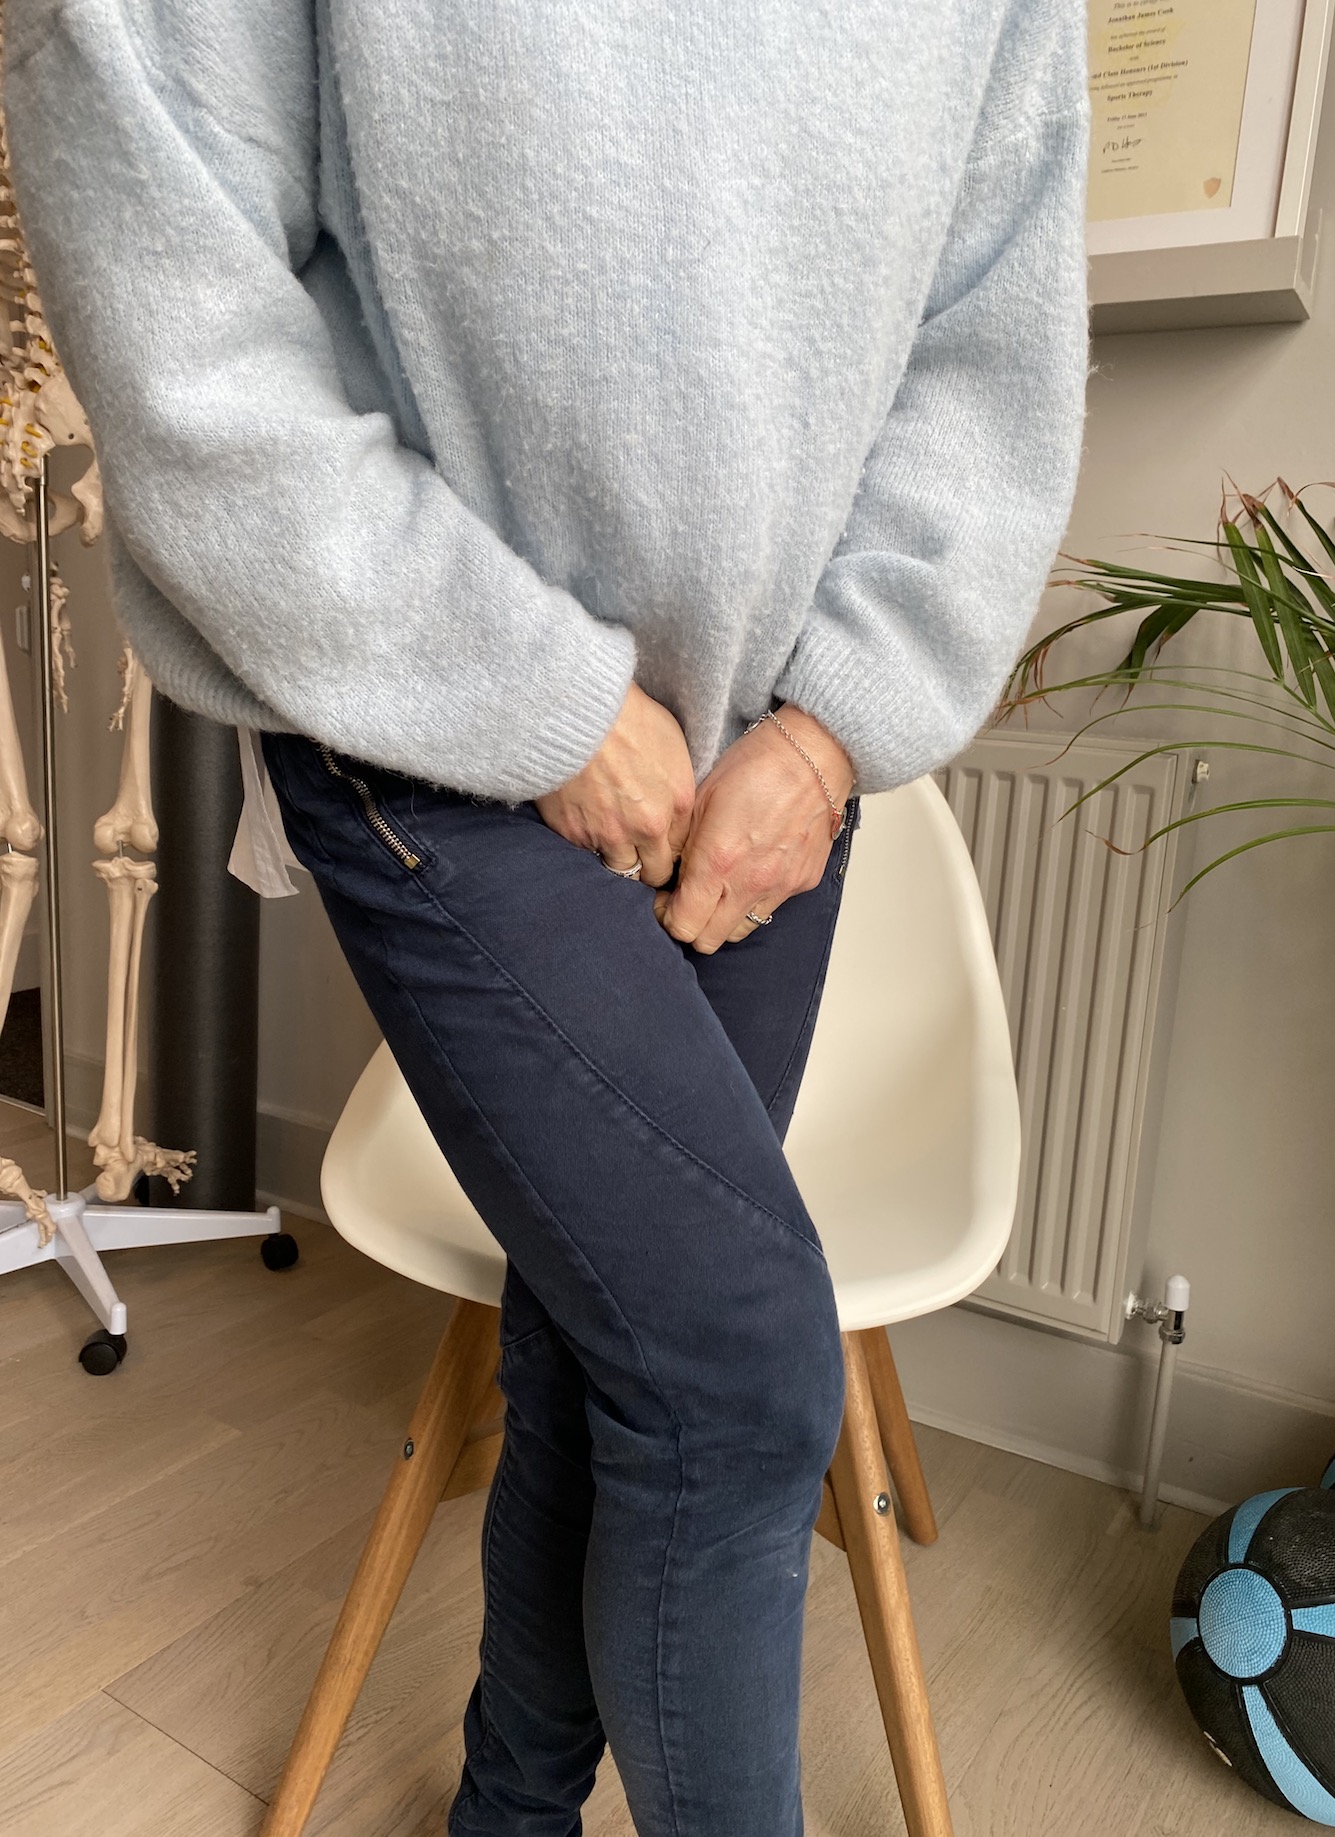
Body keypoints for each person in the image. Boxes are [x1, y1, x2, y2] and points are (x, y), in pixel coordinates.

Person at [5, 2, 1089, 1831]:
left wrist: (831, 731)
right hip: (430, 718)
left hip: (763, 773)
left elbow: (992, 337)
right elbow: (166, 260)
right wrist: (546, 703)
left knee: (607, 1357)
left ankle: (505, 1808)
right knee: (739, 1372)